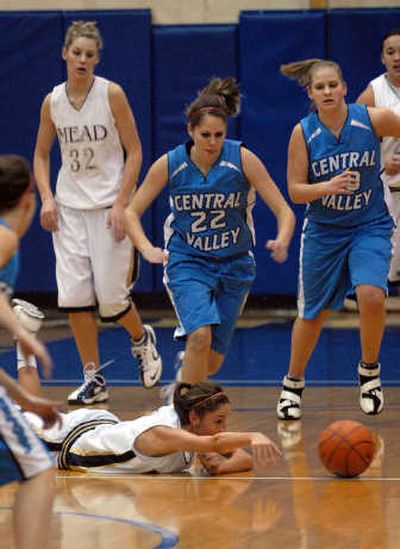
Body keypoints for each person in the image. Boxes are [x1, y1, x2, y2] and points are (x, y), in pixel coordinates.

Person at [124, 76, 295, 395]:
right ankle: (181, 414)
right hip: (188, 261)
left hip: (235, 264)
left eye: (219, 134)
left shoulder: (242, 159)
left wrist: (283, 238)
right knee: (199, 336)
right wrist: (146, 248)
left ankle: (186, 374)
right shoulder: (171, 163)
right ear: (190, 130)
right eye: (205, 134)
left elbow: (284, 210)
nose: (212, 141)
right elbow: (131, 212)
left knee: (211, 362)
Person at [33, 20, 162, 406]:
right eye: (77, 53)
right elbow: (41, 154)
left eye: (90, 54)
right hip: (69, 207)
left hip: (108, 205)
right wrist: (47, 198)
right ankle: (93, 377)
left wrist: (123, 203)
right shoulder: (52, 101)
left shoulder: (112, 94)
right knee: (74, 297)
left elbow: (135, 151)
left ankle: (142, 339)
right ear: (65, 54)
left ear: (97, 58)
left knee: (111, 299)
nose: (83, 60)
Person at [276, 58, 400, 420]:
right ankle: (292, 384)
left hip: (370, 224)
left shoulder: (371, 118)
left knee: (372, 295)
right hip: (324, 232)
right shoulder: (303, 132)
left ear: (345, 87)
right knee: (312, 314)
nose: (328, 92)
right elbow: (296, 191)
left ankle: (369, 372)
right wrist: (326, 186)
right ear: (311, 94)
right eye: (320, 87)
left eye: (333, 85)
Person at [25, 380, 281, 475]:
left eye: (224, 421)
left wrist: (218, 467)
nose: (222, 429)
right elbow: (215, 444)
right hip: (68, 439)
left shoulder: (194, 429)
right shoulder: (165, 433)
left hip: (99, 429)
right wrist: (254, 434)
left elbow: (244, 460)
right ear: (194, 417)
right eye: (218, 421)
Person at [0, 153, 59, 549]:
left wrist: (26, 400)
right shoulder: (5, 236)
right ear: (29, 196)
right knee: (38, 469)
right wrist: (22, 331)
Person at [357, 29, 400, 286]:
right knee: (384, 263)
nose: (397, 57)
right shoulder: (374, 91)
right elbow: (353, 143)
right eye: (390, 52)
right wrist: (381, 163)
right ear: (382, 58)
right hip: (386, 188)